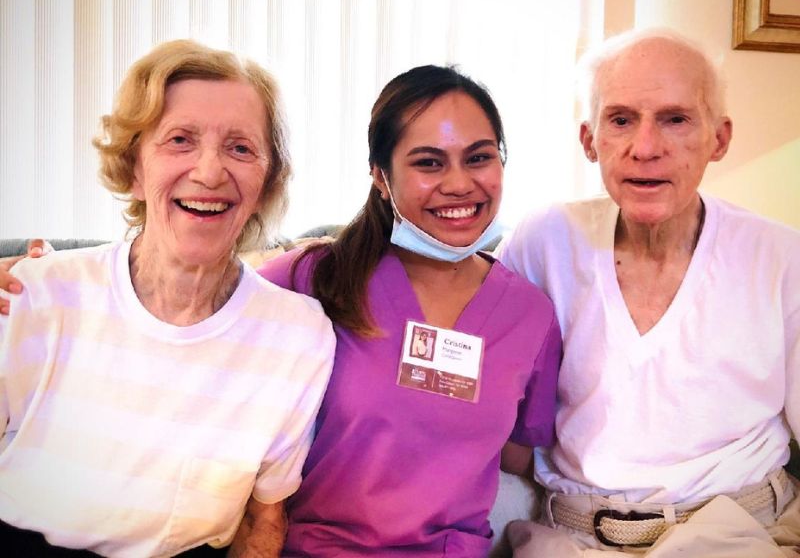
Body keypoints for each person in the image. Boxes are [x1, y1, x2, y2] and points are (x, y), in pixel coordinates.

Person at [0, 40, 335, 557]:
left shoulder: (299, 335)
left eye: (241, 148)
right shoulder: (35, 295)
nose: (209, 172)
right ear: (134, 168)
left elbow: (264, 518)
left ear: (266, 183)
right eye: (180, 140)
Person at [498, 29, 800, 556]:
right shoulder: (543, 240)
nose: (645, 149)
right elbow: (484, 381)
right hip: (571, 536)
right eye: (620, 120)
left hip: (741, 533)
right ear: (590, 140)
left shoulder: (779, 257)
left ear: (719, 138)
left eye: (675, 119)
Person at [257, 65, 562, 556]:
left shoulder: (529, 316)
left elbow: (518, 456)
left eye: (479, 157)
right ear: (381, 177)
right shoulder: (314, 278)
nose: (460, 184)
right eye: (429, 163)